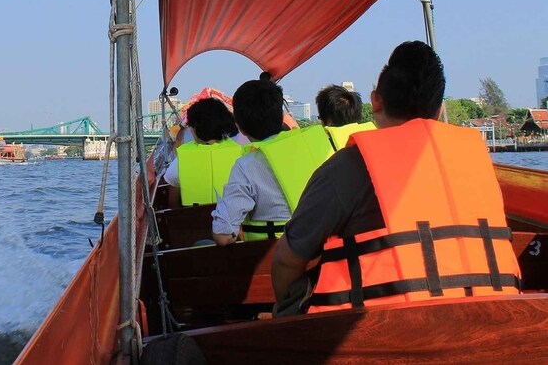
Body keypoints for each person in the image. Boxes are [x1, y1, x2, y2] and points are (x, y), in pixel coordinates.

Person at [271, 41, 521, 315]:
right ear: (439, 110)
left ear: (376, 101)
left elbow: (287, 262)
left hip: (379, 334)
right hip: (490, 319)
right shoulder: (478, 162)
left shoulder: (347, 167)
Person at [212, 73, 290, 246]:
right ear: (281, 115)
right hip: (320, 255)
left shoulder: (246, 166)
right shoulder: (317, 149)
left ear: (239, 126)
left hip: (271, 260)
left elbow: (223, 236)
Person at [163, 97, 247, 206]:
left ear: (194, 129)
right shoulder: (241, 154)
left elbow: (173, 204)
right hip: (234, 220)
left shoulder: (181, 159)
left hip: (194, 220)